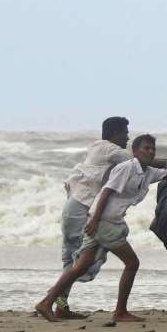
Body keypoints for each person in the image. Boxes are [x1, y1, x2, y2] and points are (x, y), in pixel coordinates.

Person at [35, 134, 167, 323]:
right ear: (134, 152)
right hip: (105, 222)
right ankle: (120, 311)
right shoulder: (126, 168)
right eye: (145, 148)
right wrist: (95, 221)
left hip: (104, 221)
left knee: (81, 266)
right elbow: (106, 192)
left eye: (152, 149)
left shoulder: (148, 172)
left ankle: (46, 302)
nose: (150, 151)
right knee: (132, 263)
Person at [54, 116, 132, 319]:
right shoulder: (109, 149)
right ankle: (53, 302)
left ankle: (60, 305)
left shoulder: (98, 148)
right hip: (81, 207)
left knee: (73, 257)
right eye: (125, 132)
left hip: (76, 204)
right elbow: (138, 162)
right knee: (79, 258)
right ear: (115, 133)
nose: (127, 137)